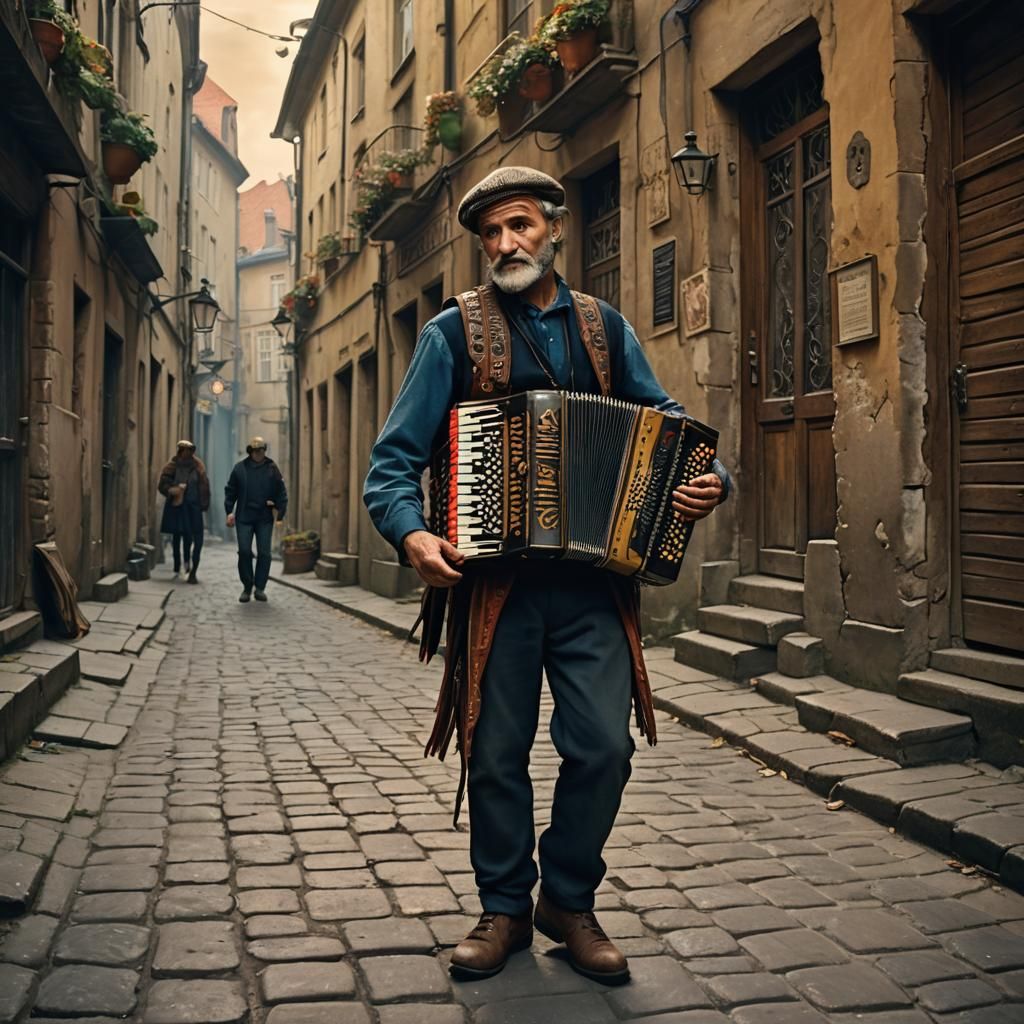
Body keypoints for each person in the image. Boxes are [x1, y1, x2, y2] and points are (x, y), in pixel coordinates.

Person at [364, 167, 730, 985]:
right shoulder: (451, 336)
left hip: (592, 587)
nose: (506, 244)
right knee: (495, 753)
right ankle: (503, 907)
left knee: (603, 748)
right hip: (495, 591)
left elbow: (669, 425)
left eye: (520, 225)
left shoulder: (604, 330)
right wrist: (414, 535)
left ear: (554, 228)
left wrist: (709, 479)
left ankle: (568, 898)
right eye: (491, 233)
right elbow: (391, 465)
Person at [225, 436, 288, 603]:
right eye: (256, 451)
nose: (259, 454)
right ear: (250, 452)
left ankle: (260, 587)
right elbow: (230, 491)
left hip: (264, 518)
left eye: (261, 450)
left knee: (264, 553)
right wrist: (229, 511)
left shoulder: (272, 468)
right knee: (244, 551)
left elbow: (281, 491)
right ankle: (247, 586)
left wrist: (279, 509)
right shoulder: (240, 469)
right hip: (244, 517)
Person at [158, 440, 210, 584]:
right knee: (177, 536)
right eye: (185, 450)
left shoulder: (198, 467)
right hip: (177, 507)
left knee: (195, 540)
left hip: (194, 508)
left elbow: (204, 485)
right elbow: (163, 484)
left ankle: (192, 569)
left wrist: (203, 504)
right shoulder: (172, 466)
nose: (188, 453)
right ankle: (178, 564)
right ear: (180, 451)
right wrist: (172, 490)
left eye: (190, 450)